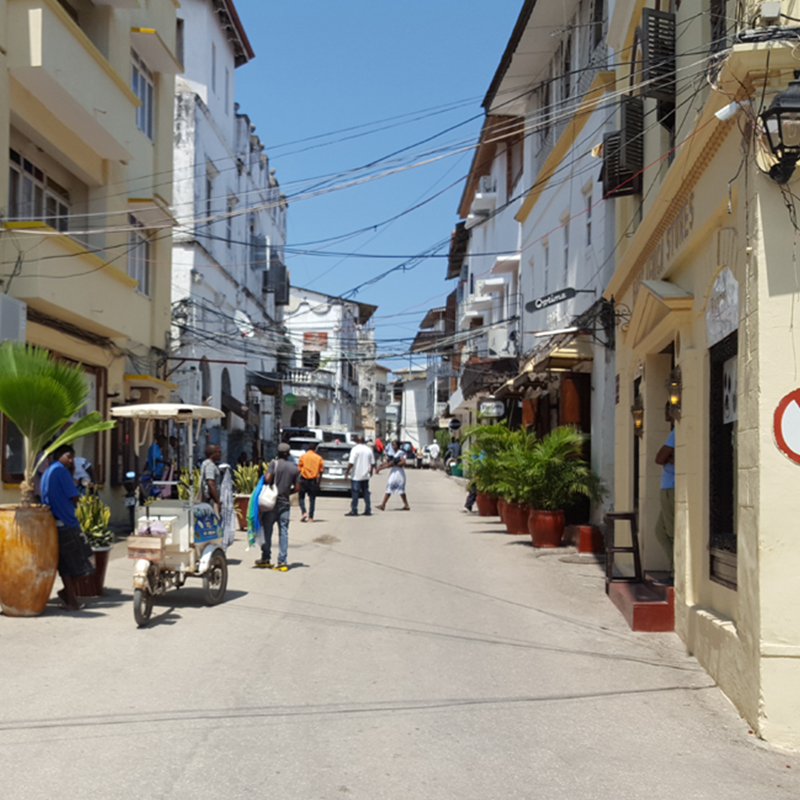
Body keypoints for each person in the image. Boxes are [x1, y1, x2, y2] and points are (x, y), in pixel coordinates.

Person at [40, 445, 94, 611]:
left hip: (54, 522)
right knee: (85, 564)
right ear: (58, 455)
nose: (71, 461)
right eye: (69, 457)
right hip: (66, 522)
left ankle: (71, 600)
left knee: (65, 566)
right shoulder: (61, 471)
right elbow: (75, 496)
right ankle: (67, 594)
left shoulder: (48, 471)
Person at [255, 442, 300, 570]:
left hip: (271, 504)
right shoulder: (294, 468)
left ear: (278, 453)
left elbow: (268, 479)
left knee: (268, 531)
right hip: (285, 503)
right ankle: (282, 562)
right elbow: (297, 488)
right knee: (284, 532)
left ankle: (266, 558)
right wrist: (286, 492)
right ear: (288, 454)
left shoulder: (274, 464)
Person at [654, 402, 676, 584]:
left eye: (667, 408)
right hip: (667, 486)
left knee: (672, 532)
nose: (665, 412)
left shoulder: (676, 433)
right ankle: (673, 568)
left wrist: (667, 458)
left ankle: (676, 573)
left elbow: (659, 458)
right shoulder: (674, 433)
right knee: (660, 531)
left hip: (671, 487)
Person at [344, 435, 375, 516]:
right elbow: (372, 463)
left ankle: (354, 510)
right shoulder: (369, 449)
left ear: (357, 441)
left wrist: (347, 471)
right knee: (366, 492)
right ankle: (368, 509)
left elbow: (351, 462)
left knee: (355, 493)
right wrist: (371, 471)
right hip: (365, 475)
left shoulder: (355, 449)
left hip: (356, 475)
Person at [375, 442, 410, 510]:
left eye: (394, 445)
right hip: (394, 472)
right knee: (396, 489)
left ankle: (383, 505)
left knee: (393, 488)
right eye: (392, 445)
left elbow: (403, 462)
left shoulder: (400, 453)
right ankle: (406, 505)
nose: (393, 446)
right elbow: (389, 465)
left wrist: (394, 464)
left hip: (398, 473)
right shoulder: (395, 454)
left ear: (398, 446)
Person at [298, 441, 324, 522]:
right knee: (312, 499)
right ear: (315, 449)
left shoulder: (303, 457)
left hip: (303, 479)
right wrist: (319, 483)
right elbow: (321, 472)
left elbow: (299, 469)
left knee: (301, 497)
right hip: (313, 480)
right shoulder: (319, 458)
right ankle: (311, 517)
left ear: (307, 448)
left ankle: (304, 512)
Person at [200, 444, 222, 514]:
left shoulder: (208, 464)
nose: (220, 454)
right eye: (219, 452)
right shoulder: (210, 465)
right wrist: (217, 501)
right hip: (211, 499)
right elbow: (210, 483)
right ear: (213, 454)